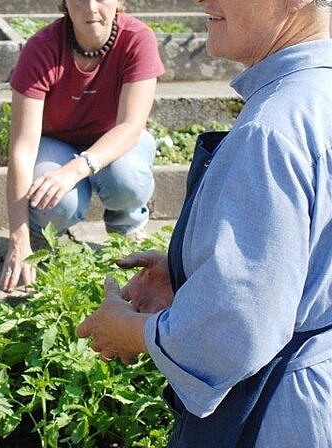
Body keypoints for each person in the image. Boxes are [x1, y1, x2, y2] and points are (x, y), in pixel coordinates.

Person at [76, 0, 332, 446]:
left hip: (279, 413)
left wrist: (130, 330)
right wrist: (193, 270)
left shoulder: (272, 129)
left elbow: (236, 330)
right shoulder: (317, 95)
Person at [0, 0, 165, 292]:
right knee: (55, 200)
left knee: (127, 177)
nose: (90, 7)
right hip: (56, 143)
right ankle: (41, 240)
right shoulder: (42, 48)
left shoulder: (137, 39)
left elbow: (130, 126)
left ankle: (127, 231)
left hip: (116, 140)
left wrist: (77, 169)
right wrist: (18, 237)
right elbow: (22, 150)